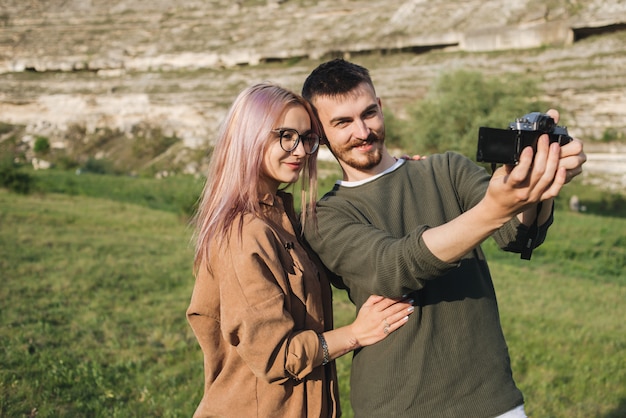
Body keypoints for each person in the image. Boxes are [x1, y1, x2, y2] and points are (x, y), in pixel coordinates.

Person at [301, 59, 586, 418]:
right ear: (321, 133)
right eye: (342, 123)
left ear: (381, 107)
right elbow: (392, 268)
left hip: (490, 397)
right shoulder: (322, 215)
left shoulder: (447, 168)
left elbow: (516, 233)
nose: (362, 131)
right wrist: (493, 209)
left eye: (368, 113)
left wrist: (542, 183)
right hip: (397, 405)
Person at [186, 82, 415, 418]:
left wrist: (398, 175)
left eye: (307, 139)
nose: (300, 151)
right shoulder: (245, 234)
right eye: (286, 136)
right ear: (250, 135)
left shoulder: (281, 219)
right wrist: (356, 333)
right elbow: (277, 356)